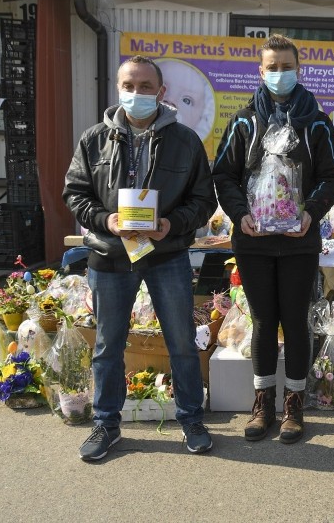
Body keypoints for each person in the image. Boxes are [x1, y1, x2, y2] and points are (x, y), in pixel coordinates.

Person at [63, 55, 218, 461]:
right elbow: (75, 194)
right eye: (129, 86)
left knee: (182, 342)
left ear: (161, 92)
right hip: (110, 256)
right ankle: (106, 425)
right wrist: (105, 219)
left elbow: (204, 200)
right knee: (108, 345)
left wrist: (173, 224)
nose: (137, 94)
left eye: (146, 87)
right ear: (117, 88)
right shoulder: (93, 138)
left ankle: (191, 419)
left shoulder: (185, 141)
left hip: (166, 254)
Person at [211, 35, 334, 444]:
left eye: (286, 66)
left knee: (297, 321)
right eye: (272, 67)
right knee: (264, 322)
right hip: (253, 240)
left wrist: (310, 212)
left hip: (299, 239)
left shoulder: (316, 121)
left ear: (298, 69)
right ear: (260, 71)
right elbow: (223, 175)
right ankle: (263, 403)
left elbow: (332, 177)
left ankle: (295, 405)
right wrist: (241, 214)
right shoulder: (244, 120)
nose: (279, 74)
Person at [157, 58, 216, 144]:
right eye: (161, 90)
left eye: (187, 100)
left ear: (200, 119)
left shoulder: (192, 149)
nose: (170, 100)